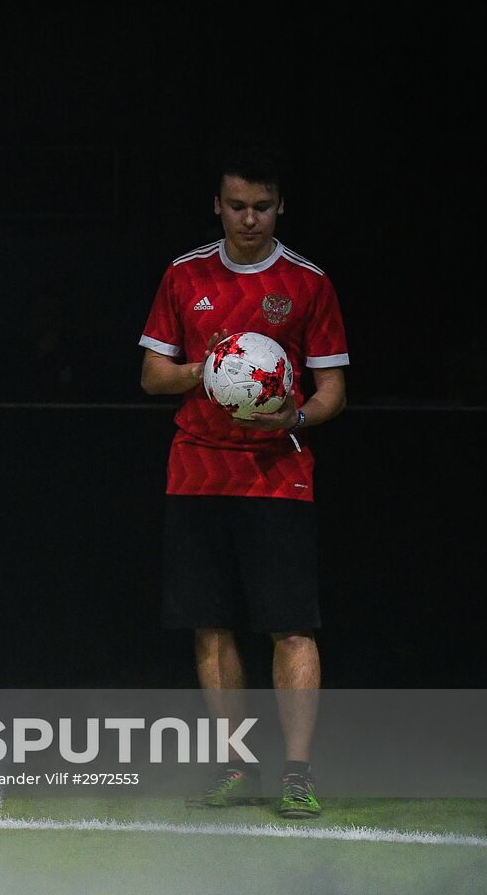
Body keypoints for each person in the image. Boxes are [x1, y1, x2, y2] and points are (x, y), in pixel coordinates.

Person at [138, 148, 348, 819]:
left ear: (279, 205)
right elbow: (152, 376)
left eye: (261, 207)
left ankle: (294, 772)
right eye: (237, 206)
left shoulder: (307, 281)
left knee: (290, 626)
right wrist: (210, 366)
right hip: (197, 468)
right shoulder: (184, 274)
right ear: (218, 205)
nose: (248, 219)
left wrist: (298, 414)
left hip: (276, 471)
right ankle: (234, 765)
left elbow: (333, 389)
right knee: (211, 624)